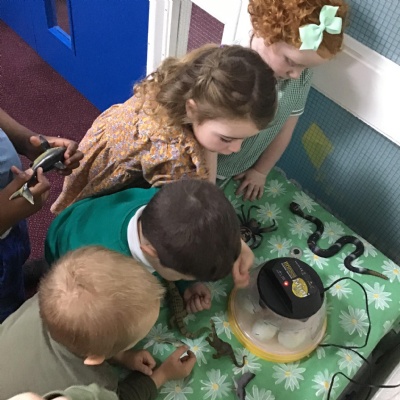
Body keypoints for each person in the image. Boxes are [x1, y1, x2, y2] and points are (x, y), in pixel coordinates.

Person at [50, 44, 277, 214]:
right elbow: (198, 204)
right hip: (104, 190)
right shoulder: (174, 154)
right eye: (227, 139)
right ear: (192, 109)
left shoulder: (179, 84)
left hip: (101, 152)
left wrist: (215, 145)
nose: (237, 149)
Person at [0, 246, 197, 400]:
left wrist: (123, 356)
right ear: (94, 357)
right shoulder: (98, 385)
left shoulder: (44, 301)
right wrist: (163, 375)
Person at [45, 179, 254, 313]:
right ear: (151, 252)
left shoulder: (162, 204)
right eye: (181, 276)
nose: (183, 279)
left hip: (81, 216)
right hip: (63, 253)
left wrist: (186, 284)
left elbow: (192, 237)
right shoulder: (111, 271)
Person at [217, 0, 349, 201]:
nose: (296, 74)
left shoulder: (299, 79)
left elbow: (285, 129)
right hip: (205, 165)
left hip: (238, 169)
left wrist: (260, 171)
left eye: (305, 67)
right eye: (291, 62)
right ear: (265, 32)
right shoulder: (229, 68)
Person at [0, 107, 83, 322]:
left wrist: (25, 140)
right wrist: (4, 216)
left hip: (11, 210)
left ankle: (16, 275)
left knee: (15, 255)